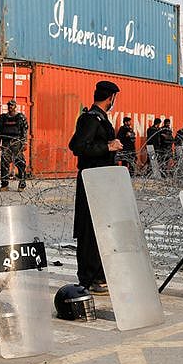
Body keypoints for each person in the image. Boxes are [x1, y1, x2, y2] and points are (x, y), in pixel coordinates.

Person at [68, 81, 122, 296]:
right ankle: (90, 277)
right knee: (89, 229)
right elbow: (77, 146)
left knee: (100, 228)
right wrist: (108, 146)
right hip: (92, 180)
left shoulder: (99, 118)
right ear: (111, 98)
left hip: (102, 181)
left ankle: (99, 273)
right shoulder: (91, 118)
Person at [0, 99, 28, 191]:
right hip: (6, 143)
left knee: (20, 163)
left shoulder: (20, 117)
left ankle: (22, 183)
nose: (10, 107)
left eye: (12, 106)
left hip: (16, 142)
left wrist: (24, 143)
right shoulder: (3, 118)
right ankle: (4, 184)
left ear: (15, 107)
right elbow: (0, 132)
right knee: (4, 163)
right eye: (9, 105)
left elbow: (24, 131)